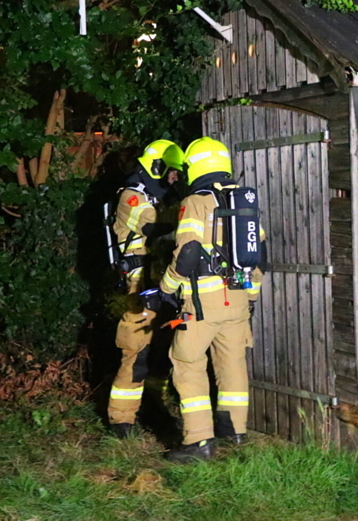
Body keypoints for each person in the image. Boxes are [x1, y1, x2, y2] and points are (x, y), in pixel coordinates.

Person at [158, 137, 265, 462]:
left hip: (202, 305)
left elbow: (188, 251)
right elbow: (259, 258)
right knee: (232, 366)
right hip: (237, 302)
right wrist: (251, 297)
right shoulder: (244, 201)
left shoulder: (196, 201)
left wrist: (166, 287)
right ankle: (234, 433)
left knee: (188, 365)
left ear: (195, 166)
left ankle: (199, 442)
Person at [107, 139, 184, 438]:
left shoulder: (158, 198)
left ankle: (153, 410)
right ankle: (121, 421)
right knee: (136, 355)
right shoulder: (132, 197)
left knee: (163, 354)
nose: (172, 178)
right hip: (136, 292)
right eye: (170, 172)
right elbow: (152, 228)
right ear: (155, 167)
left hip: (161, 287)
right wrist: (188, 210)